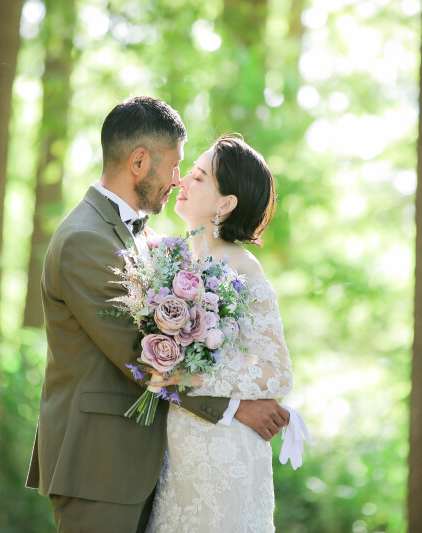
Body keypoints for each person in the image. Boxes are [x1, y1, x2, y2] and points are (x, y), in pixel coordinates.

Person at [25, 97, 290, 533]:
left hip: (144, 464)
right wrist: (233, 409)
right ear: (139, 161)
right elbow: (143, 352)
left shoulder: (141, 237)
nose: (177, 179)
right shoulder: (86, 240)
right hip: (100, 466)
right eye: (174, 166)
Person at [145, 134, 294, 532]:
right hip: (177, 450)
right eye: (188, 173)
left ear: (226, 204)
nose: (182, 182)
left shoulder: (243, 269)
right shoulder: (169, 259)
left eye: (198, 177)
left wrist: (190, 374)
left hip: (226, 451)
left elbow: (278, 372)